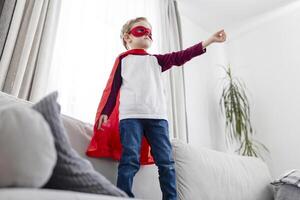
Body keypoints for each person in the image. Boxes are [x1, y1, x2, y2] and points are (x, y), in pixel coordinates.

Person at [86, 17, 226, 199]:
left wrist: (210, 40)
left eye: (150, 33)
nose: (147, 35)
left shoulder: (156, 61)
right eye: (141, 31)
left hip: (157, 118)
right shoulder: (123, 60)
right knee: (129, 160)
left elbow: (181, 56)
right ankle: (122, 196)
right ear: (127, 37)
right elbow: (112, 88)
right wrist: (105, 112)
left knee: (166, 162)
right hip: (130, 118)